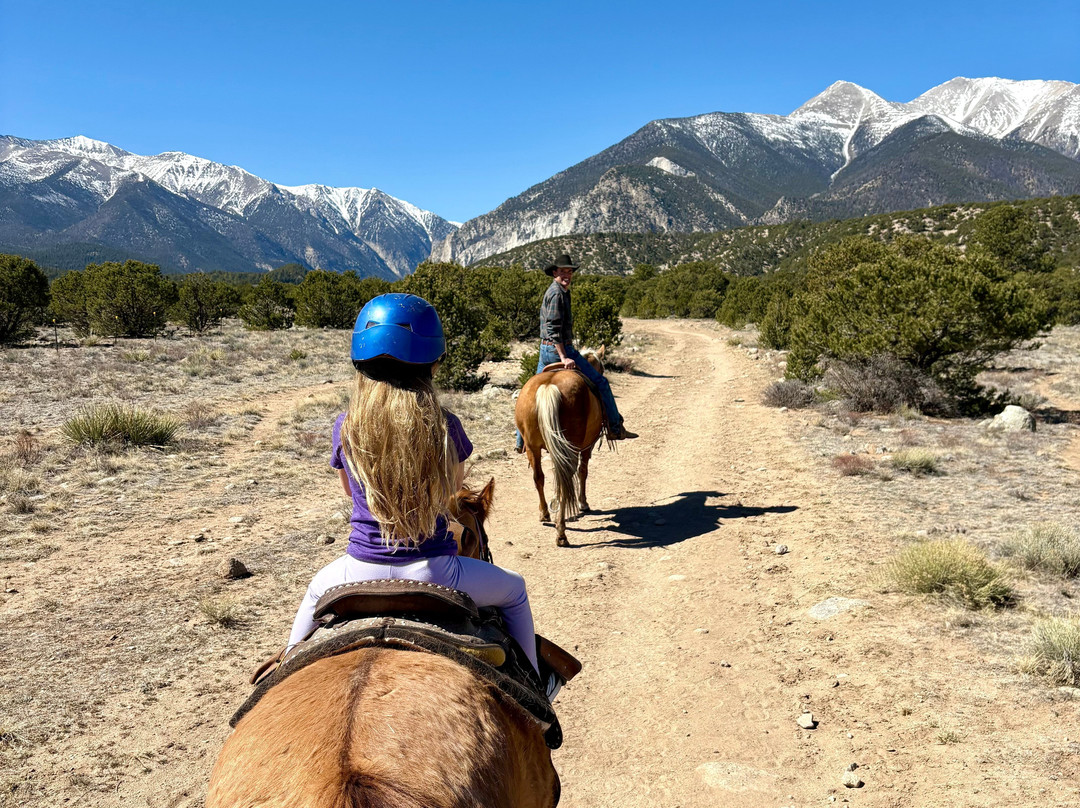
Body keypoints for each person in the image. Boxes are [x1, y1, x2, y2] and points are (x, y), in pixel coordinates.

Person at [287, 293, 540, 677]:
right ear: (434, 362)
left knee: (311, 599)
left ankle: (283, 674)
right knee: (515, 591)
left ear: (359, 359)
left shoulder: (346, 426)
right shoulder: (446, 426)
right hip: (434, 572)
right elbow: (449, 495)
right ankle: (534, 689)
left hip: (357, 569)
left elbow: (348, 491)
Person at [515, 253, 637, 452]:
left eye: (569, 271)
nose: (567, 275)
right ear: (554, 272)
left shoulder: (559, 291)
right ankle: (615, 427)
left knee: (528, 394)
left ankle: (521, 441)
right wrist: (563, 356)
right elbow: (554, 329)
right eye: (563, 271)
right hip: (559, 350)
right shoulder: (557, 294)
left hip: (544, 351)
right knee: (601, 382)